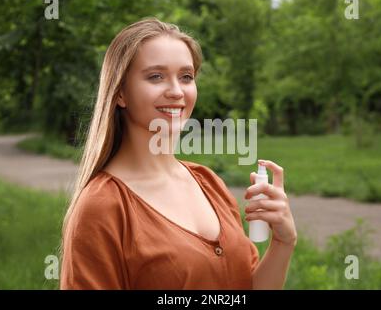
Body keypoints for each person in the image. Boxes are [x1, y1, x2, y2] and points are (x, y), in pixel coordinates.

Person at [60, 17, 297, 290]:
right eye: (155, 76)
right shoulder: (102, 207)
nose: (176, 91)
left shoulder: (209, 184)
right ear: (121, 93)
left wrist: (282, 243)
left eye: (186, 77)